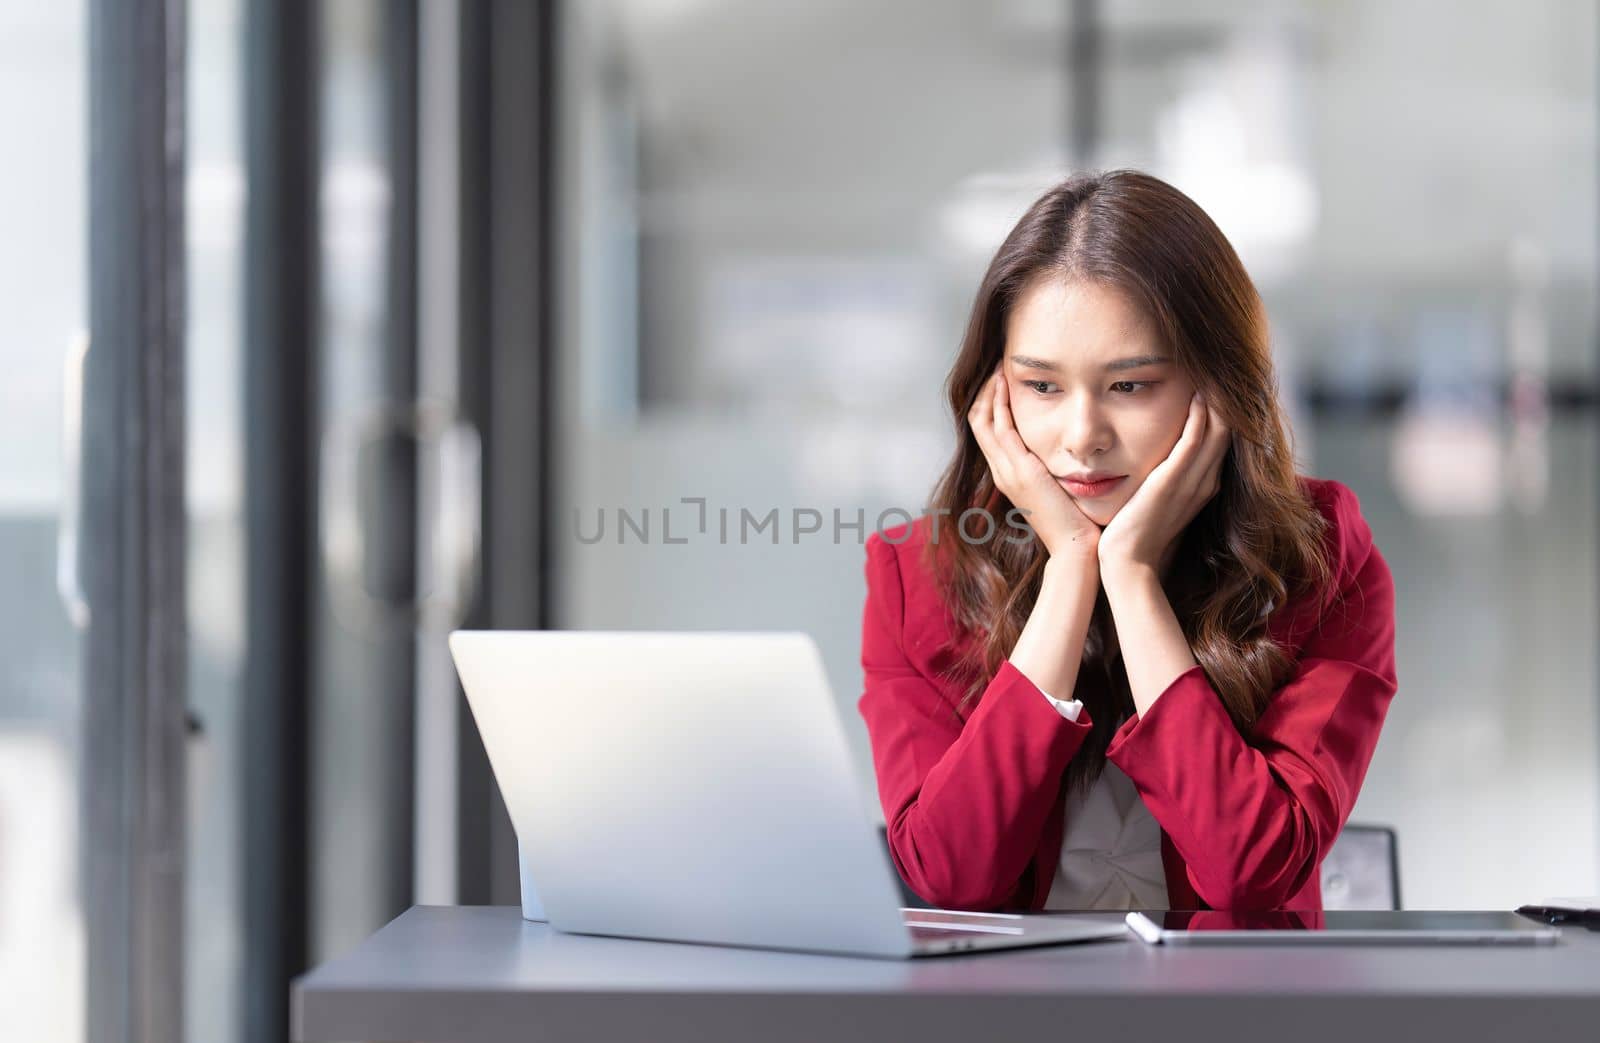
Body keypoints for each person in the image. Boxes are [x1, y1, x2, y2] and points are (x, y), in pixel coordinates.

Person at [857, 169, 1397, 913]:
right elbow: (950, 877)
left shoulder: (1324, 561)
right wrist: (1072, 568)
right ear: (994, 392)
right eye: (1041, 386)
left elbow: (1252, 872)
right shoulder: (915, 578)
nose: (1082, 438)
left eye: (1131, 386)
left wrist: (1133, 577)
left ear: (1217, 387)